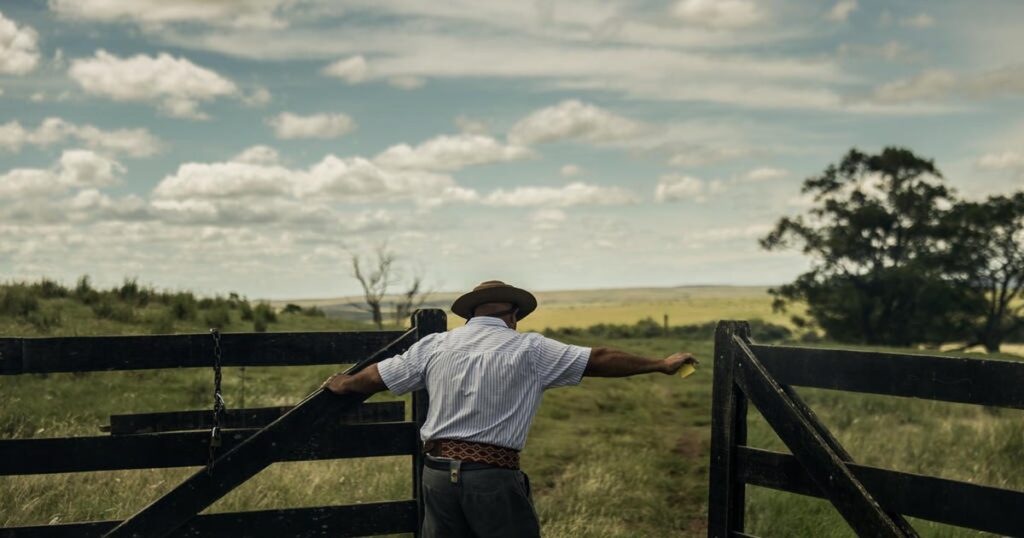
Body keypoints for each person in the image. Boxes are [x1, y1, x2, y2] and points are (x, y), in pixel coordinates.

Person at [323, 280, 699, 538]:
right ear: (513, 314)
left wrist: (344, 383)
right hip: (491, 477)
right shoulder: (529, 349)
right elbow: (599, 359)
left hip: (436, 475)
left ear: (470, 314)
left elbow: (376, 377)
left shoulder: (434, 345)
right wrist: (658, 363)